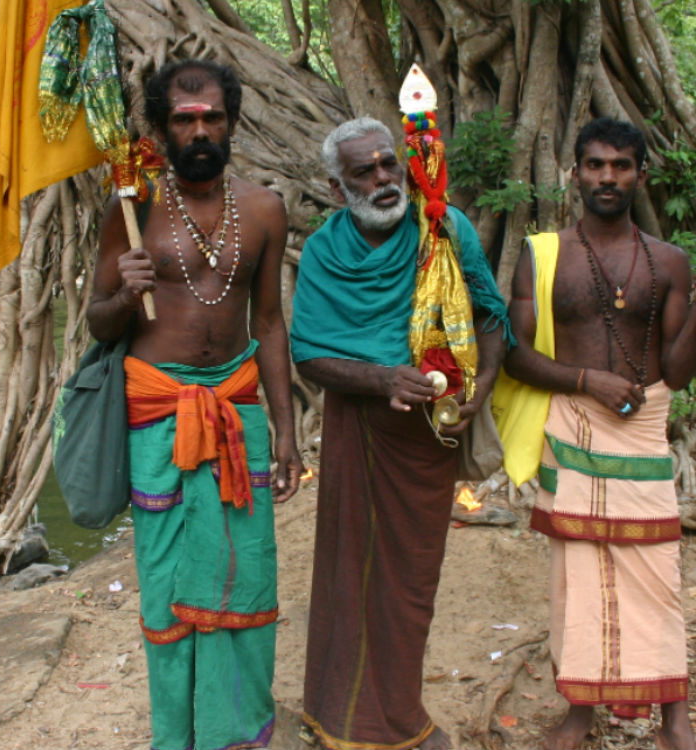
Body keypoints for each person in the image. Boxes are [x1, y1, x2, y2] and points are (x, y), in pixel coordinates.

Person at [86, 59, 302, 750]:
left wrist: (289, 432)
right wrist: (123, 293)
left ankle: (234, 736)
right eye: (185, 118)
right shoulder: (132, 206)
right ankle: (177, 738)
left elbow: (269, 323)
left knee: (246, 578)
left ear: (232, 122)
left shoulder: (264, 207)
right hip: (158, 415)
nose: (200, 129)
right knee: (168, 586)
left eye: (212, 116)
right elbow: (97, 321)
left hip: (238, 414)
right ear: (161, 128)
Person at [290, 117, 511, 750]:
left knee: (411, 580)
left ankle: (395, 712)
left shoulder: (445, 227)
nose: (385, 179)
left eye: (390, 164)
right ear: (339, 188)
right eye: (366, 171)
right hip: (361, 425)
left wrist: (481, 387)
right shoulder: (327, 251)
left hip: (431, 434)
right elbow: (307, 353)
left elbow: (489, 312)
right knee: (349, 569)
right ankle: (342, 718)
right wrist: (381, 378)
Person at [501, 117, 696, 750]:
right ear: (575, 173)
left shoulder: (668, 261)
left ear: (641, 173)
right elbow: (515, 354)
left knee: (658, 574)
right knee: (577, 578)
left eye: (620, 165)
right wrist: (588, 380)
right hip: (574, 425)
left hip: (642, 434)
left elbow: (679, 369)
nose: (606, 176)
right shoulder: (542, 253)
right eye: (594, 164)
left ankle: (674, 718)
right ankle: (580, 715)